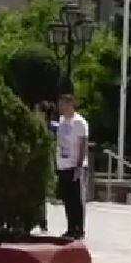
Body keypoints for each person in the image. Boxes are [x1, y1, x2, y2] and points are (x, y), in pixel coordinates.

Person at [54, 93, 89, 239]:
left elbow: (83, 145)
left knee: (76, 200)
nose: (60, 107)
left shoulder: (79, 122)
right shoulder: (61, 121)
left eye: (63, 104)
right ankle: (70, 227)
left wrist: (79, 166)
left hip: (75, 165)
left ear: (70, 104)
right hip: (63, 165)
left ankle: (79, 229)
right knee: (67, 199)